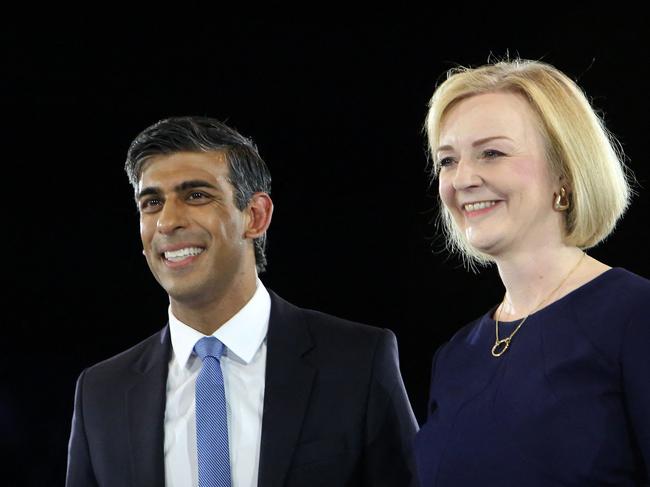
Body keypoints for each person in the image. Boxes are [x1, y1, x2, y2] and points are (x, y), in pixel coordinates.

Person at [66, 116, 419, 486]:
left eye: (196, 195)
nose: (167, 222)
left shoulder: (357, 361)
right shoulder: (100, 393)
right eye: (152, 202)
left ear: (255, 215)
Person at [414, 59, 650, 486]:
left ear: (564, 170)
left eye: (492, 153)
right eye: (447, 160)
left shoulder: (635, 315)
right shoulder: (454, 356)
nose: (462, 178)